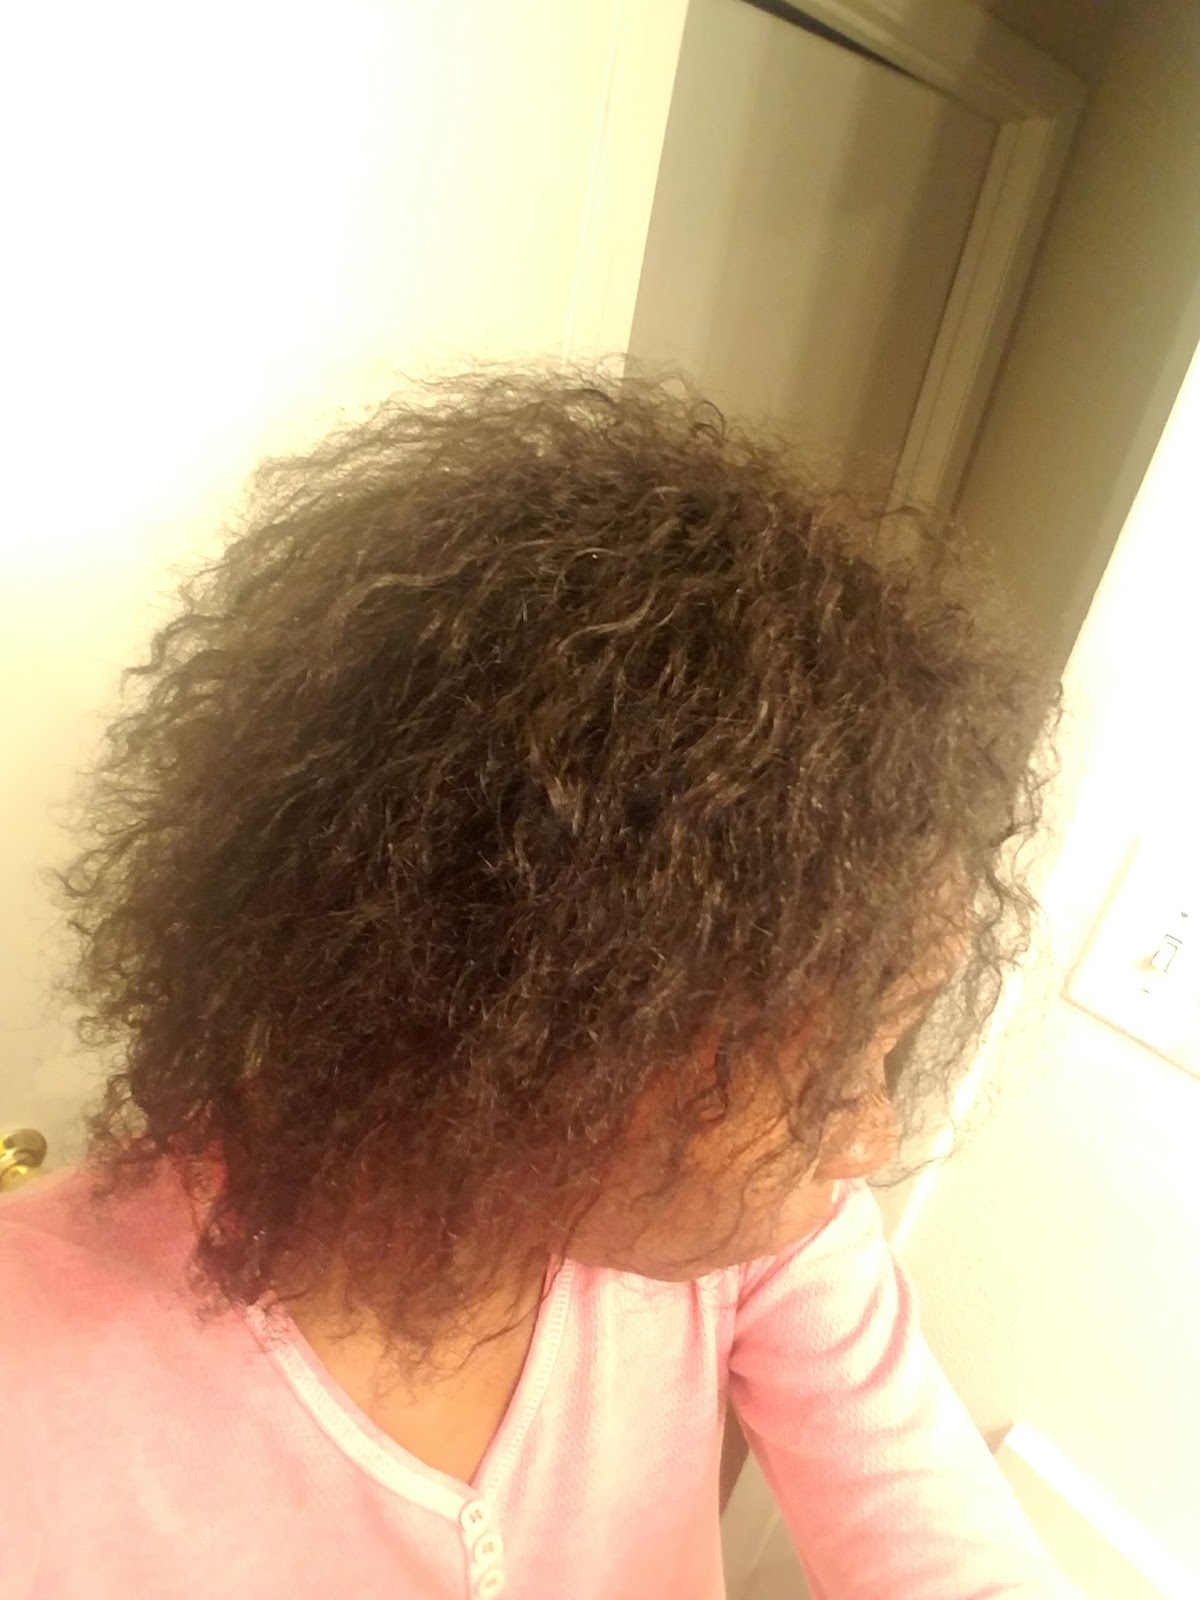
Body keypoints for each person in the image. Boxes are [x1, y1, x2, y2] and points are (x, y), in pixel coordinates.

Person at [0, 365, 1076, 1597]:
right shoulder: (32, 1393)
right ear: (556, 1034)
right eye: (839, 1060)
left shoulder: (766, 1229)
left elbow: (950, 1552)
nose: (870, 1135)